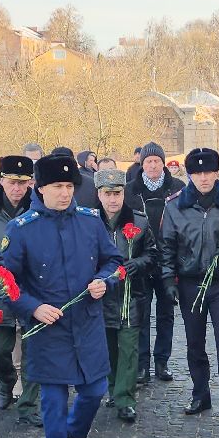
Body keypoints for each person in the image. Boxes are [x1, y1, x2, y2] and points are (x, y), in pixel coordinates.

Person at [0, 153, 123, 438]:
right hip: (47, 330)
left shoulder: (90, 222)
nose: (65, 193)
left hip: (86, 324)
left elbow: (113, 261)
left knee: (96, 390)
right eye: (58, 187)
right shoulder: (21, 229)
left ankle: (77, 433)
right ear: (40, 189)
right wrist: (33, 307)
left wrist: (104, 280)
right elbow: (6, 281)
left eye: (69, 186)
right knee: (53, 405)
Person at [161, 148, 219, 416]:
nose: (203, 178)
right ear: (190, 175)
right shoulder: (175, 206)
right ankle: (200, 394)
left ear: (216, 173)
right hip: (191, 283)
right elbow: (166, 245)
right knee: (194, 342)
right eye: (198, 173)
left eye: (208, 172)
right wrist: (168, 278)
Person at [95, 168, 157, 423]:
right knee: (108, 348)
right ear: (99, 194)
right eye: (108, 193)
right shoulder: (89, 222)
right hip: (101, 297)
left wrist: (138, 264)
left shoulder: (139, 222)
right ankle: (112, 389)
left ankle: (125, 399)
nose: (113, 199)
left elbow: (153, 254)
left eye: (117, 193)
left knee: (129, 349)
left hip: (131, 297)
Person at [0, 154, 38, 419]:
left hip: (30, 289)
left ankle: (28, 403)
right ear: (1, 181)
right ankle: (5, 382)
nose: (17, 188)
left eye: (23, 182)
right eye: (12, 182)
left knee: (33, 352)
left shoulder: (38, 210)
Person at [123, 142, 180, 383]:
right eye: (148, 161)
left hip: (168, 259)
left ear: (163, 163)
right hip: (142, 259)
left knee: (166, 313)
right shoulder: (130, 191)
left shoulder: (177, 187)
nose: (153, 165)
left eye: (157, 160)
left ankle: (162, 362)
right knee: (142, 315)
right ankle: (142, 364)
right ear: (142, 164)